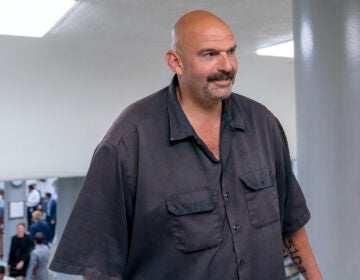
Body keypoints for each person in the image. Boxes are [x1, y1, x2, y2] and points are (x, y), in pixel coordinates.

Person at [50, 10, 322, 279]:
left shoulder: (263, 124)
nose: (227, 65)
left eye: (231, 51)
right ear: (175, 62)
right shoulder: (128, 142)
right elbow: (99, 269)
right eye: (210, 54)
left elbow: (291, 225)